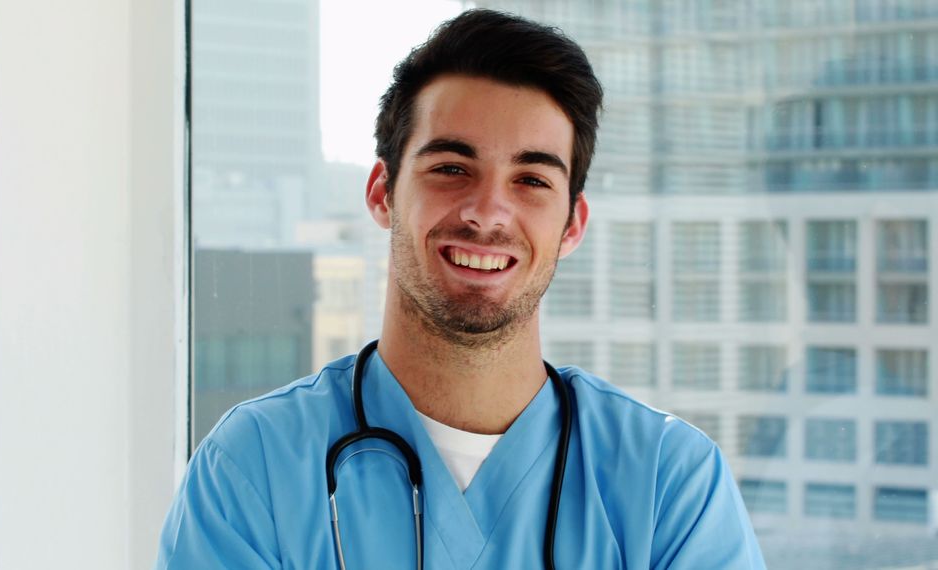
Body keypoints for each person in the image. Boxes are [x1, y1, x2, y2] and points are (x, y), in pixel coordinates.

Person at [155, 9, 766, 569]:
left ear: (572, 224)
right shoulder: (254, 467)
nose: (488, 212)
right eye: (452, 168)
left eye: (531, 179)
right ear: (382, 192)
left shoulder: (669, 483)